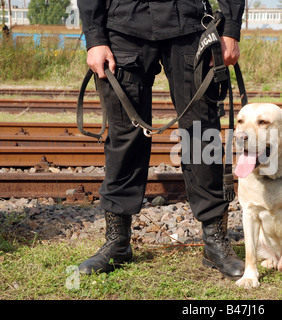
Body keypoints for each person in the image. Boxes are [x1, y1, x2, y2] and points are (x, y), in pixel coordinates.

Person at [77, 0, 245, 279]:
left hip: (191, 24)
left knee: (202, 137)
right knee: (124, 137)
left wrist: (230, 30)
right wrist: (95, 37)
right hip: (123, 25)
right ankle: (117, 242)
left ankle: (215, 242)